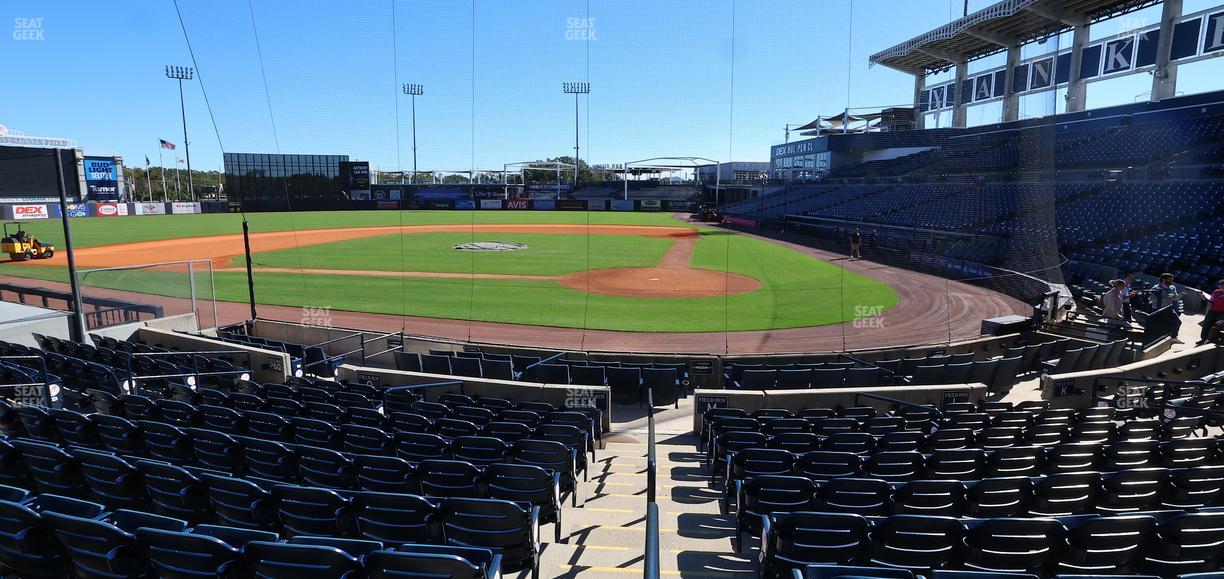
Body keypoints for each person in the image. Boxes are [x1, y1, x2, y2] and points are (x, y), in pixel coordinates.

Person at [1151, 272, 1187, 341]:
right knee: (1157, 325)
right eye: (1170, 279)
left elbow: (1175, 298)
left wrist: (1180, 295)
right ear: (1164, 280)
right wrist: (1165, 298)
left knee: (1177, 321)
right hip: (1157, 309)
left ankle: (1174, 337)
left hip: (1168, 308)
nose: (1172, 281)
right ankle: (1155, 339)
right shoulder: (1156, 287)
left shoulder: (1172, 288)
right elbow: (1152, 299)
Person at [1199, 279, 1224, 345]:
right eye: (1220, 284)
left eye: (1222, 284)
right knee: (1206, 324)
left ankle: (1211, 339)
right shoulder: (1216, 292)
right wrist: (1204, 298)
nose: (1220, 285)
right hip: (1213, 310)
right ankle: (1203, 339)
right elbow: (1211, 301)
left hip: (1222, 312)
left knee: (1216, 326)